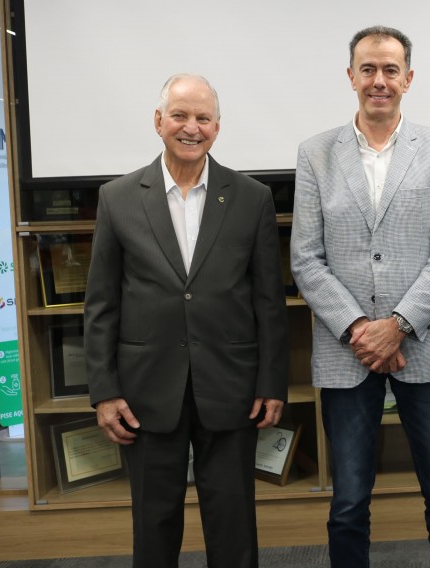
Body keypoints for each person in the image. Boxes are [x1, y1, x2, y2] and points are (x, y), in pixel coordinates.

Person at [84, 73, 289, 568]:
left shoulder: (251, 197)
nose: (191, 127)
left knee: (233, 523)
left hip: (231, 387)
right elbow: (102, 303)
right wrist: (105, 391)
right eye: (180, 115)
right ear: (159, 121)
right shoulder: (118, 198)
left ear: (218, 127)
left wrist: (271, 383)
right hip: (145, 392)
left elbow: (268, 301)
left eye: (203, 118)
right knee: (153, 527)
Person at [290, 26, 430, 568]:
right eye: (368, 69)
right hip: (346, 352)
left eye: (391, 70)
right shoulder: (315, 154)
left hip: (424, 345)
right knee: (347, 503)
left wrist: (398, 324)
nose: (379, 80)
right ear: (350, 77)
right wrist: (359, 330)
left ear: (408, 79)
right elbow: (306, 257)